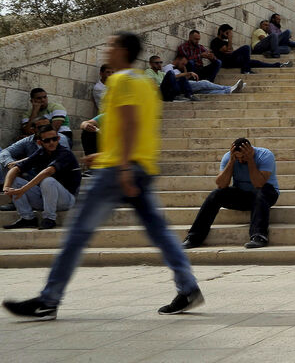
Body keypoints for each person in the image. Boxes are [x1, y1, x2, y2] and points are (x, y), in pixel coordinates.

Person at [3, 32, 204, 320]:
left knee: (77, 234)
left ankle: (48, 300)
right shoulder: (146, 83)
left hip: (118, 171)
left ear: (122, 50)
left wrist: (119, 165)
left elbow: (131, 123)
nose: (106, 49)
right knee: (159, 233)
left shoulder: (121, 81)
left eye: (111, 45)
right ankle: (188, 288)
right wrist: (109, 156)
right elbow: (138, 127)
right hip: (140, 166)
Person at [183, 138, 279, 250]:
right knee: (215, 194)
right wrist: (232, 161)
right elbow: (221, 185)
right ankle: (194, 237)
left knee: (260, 192)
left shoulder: (265, 155)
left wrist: (250, 161)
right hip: (242, 195)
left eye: (243, 157)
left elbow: (258, 183)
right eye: (238, 158)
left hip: (266, 194)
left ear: (251, 150)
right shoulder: (229, 157)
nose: (241, 160)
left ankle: (259, 236)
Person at [3, 126, 80, 230]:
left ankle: (49, 218)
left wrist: (23, 190)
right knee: (14, 180)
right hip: (44, 199)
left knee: (47, 180)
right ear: (40, 143)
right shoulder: (40, 153)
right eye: (47, 140)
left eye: (54, 139)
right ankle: (27, 218)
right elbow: (15, 169)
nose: (51, 142)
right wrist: (6, 187)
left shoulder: (65, 153)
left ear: (58, 139)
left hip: (66, 200)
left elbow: (47, 172)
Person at [212, 24, 287, 74]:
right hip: (225, 62)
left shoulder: (225, 42)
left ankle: (277, 65)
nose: (228, 35)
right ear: (221, 31)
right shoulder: (216, 41)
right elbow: (227, 51)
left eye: (229, 34)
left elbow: (230, 51)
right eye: (227, 33)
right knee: (246, 47)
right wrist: (230, 39)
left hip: (232, 60)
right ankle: (246, 70)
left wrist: (229, 45)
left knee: (255, 62)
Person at [167, 53, 243, 96]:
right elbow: (170, 77)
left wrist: (185, 72)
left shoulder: (178, 69)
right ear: (178, 60)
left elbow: (183, 78)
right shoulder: (168, 67)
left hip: (184, 86)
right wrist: (187, 73)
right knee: (204, 83)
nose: (184, 65)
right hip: (179, 86)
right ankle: (229, 87)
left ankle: (228, 91)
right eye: (183, 63)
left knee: (206, 92)